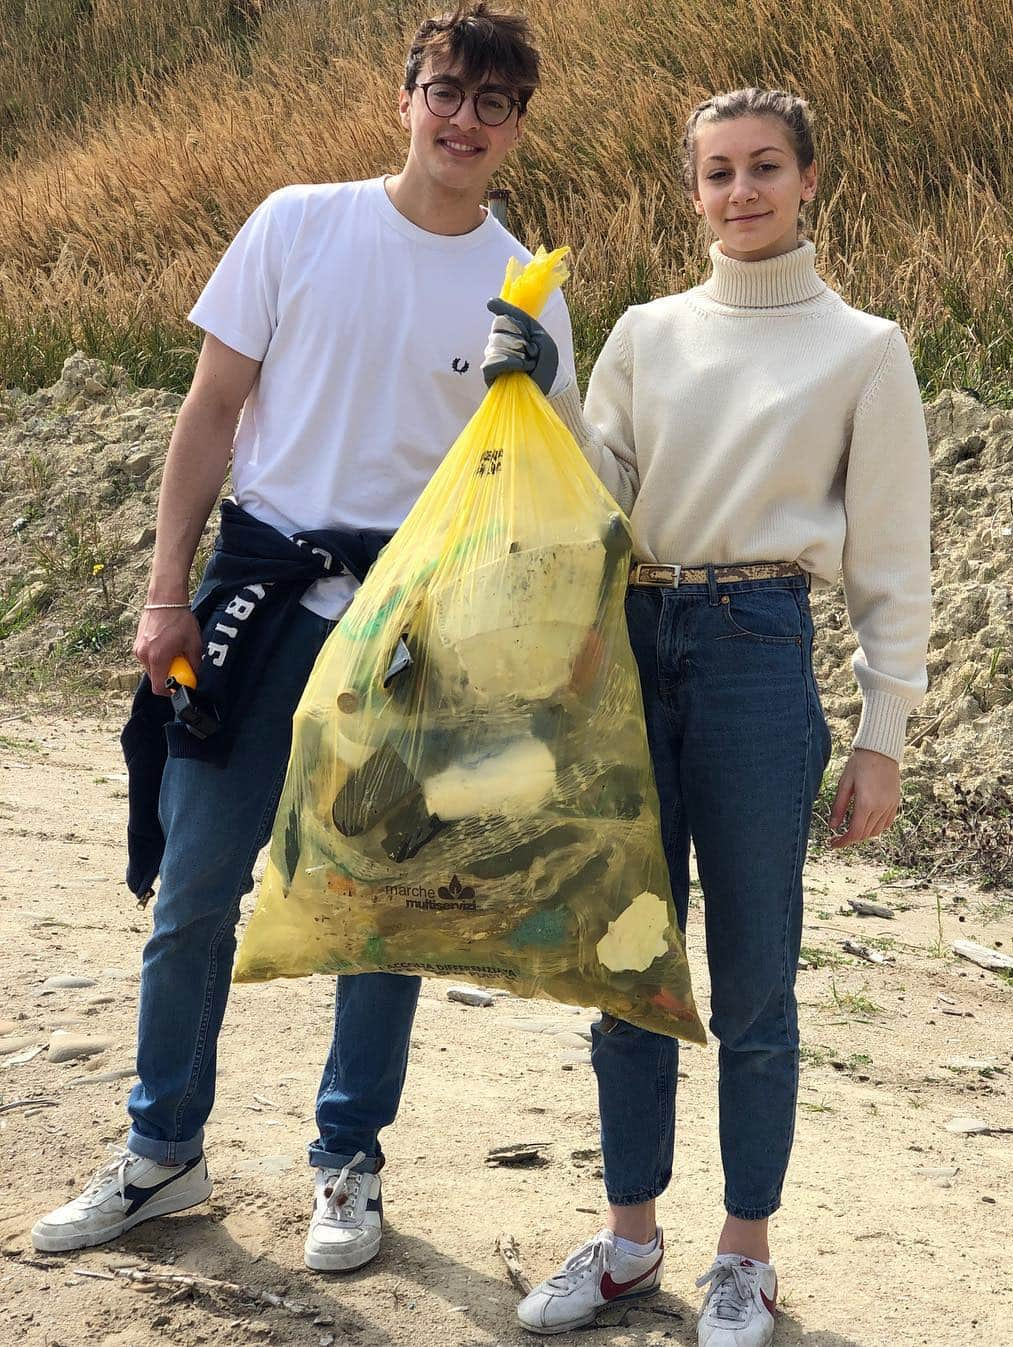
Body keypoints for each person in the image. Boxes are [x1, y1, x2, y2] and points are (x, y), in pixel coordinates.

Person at [31, 3, 575, 1274]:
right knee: (194, 892)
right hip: (261, 598)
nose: (465, 120)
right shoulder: (297, 221)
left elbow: (544, 481)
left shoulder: (524, 284)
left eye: (495, 104)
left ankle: (349, 1160)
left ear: (516, 129)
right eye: (447, 90)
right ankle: (162, 1150)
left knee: (381, 912)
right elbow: (211, 412)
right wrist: (166, 591)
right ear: (407, 96)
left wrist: (536, 375)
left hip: (414, 628)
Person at [485, 87, 931, 1345]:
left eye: (766, 168)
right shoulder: (643, 331)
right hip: (631, 640)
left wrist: (882, 735)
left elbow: (896, 562)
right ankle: (629, 1242)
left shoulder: (866, 349)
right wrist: (538, 391)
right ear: (693, 191)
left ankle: (746, 1257)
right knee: (627, 962)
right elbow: (597, 491)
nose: (742, 192)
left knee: (753, 978)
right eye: (719, 173)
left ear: (807, 180)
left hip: (756, 647)